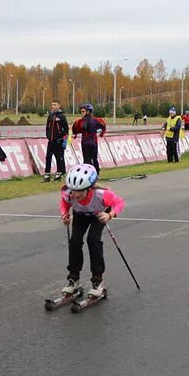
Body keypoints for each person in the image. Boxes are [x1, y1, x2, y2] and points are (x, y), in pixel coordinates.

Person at [59, 163, 125, 300]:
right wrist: (64, 215)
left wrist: (110, 215)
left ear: (89, 189)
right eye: (73, 191)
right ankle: (73, 279)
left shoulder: (102, 194)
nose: (75, 195)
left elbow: (119, 203)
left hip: (98, 215)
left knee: (93, 240)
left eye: (80, 192)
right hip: (80, 215)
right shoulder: (68, 193)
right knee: (75, 241)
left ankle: (97, 281)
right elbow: (64, 205)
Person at [71, 103, 107, 171]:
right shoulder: (80, 121)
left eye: (83, 111)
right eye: (81, 111)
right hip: (87, 142)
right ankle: (93, 172)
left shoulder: (81, 121)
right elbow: (75, 129)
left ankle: (92, 172)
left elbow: (103, 126)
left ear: (88, 111)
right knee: (90, 159)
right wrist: (102, 133)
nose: (81, 113)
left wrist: (102, 133)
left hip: (91, 142)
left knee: (91, 159)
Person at [43, 99, 69, 181]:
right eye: (52, 105)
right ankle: (47, 175)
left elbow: (66, 129)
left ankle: (58, 174)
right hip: (50, 141)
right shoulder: (50, 116)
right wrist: (48, 135)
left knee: (59, 158)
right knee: (48, 158)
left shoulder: (62, 116)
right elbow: (47, 127)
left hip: (58, 141)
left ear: (59, 106)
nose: (53, 106)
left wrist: (61, 138)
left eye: (55, 105)